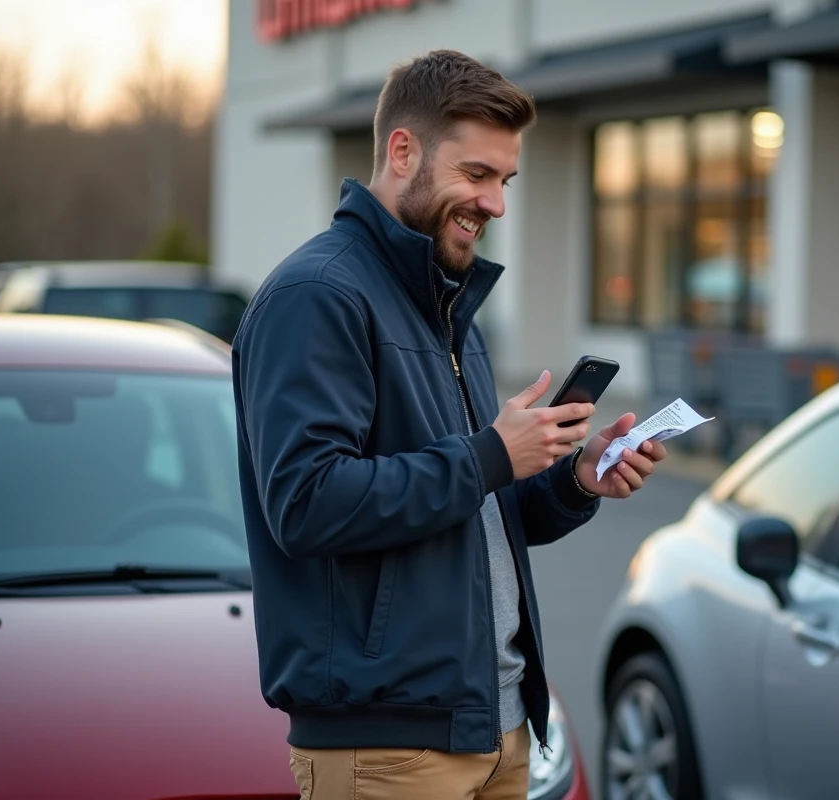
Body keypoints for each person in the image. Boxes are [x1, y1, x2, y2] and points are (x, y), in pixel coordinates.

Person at [231, 49, 667, 800]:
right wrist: (491, 455)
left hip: (497, 729)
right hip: (388, 747)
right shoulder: (318, 295)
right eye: (476, 175)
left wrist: (570, 480)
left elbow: (469, 506)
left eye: (505, 181)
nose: (495, 203)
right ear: (403, 151)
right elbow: (305, 503)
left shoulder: (446, 301)